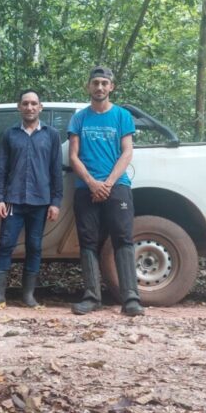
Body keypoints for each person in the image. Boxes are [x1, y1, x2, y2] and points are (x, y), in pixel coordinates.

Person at [68, 66, 144, 316]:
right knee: (88, 241)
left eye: (104, 83)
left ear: (111, 86)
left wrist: (108, 183)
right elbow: (73, 156)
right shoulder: (79, 118)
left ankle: (131, 297)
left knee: (122, 238)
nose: (99, 87)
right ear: (88, 86)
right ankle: (92, 297)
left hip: (118, 186)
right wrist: (91, 183)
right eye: (95, 83)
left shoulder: (122, 116)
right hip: (85, 188)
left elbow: (127, 152)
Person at [0, 89, 63, 309]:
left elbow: (56, 170)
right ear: (19, 107)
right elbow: (2, 169)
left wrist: (56, 202)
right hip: (13, 200)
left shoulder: (51, 135)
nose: (30, 107)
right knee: (5, 245)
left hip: (40, 202)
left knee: (35, 246)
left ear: (41, 107)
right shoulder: (10, 134)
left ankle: (28, 296)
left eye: (33, 103)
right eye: (25, 103)